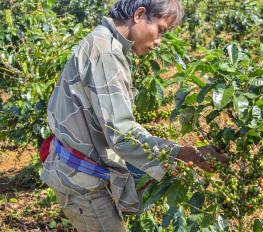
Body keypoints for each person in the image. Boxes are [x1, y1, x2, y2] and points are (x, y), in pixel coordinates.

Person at [40, 0, 227, 231]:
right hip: (83, 185)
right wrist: (180, 155)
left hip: (80, 174)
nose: (158, 41)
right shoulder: (106, 53)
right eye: (160, 30)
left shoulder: (106, 44)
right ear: (139, 15)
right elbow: (122, 133)